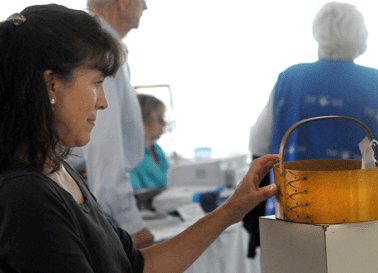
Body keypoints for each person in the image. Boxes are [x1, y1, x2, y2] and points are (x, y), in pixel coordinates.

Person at [0, 5, 280, 272]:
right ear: (52, 85)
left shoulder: (61, 172)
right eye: (97, 83)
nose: (103, 102)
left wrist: (232, 210)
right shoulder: (25, 196)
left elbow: (137, 266)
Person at [246, 1, 378, 258]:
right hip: (359, 214)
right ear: (361, 35)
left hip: (293, 210)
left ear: (317, 34)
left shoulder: (289, 78)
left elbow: (258, 143)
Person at [78, 0, 153, 248]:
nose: (146, 7)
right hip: (87, 192)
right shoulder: (99, 47)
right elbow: (103, 145)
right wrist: (130, 223)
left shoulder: (97, 43)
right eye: (143, 0)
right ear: (123, 3)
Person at [130, 94, 170, 189]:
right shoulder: (131, 156)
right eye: (160, 119)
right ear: (142, 120)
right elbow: (137, 195)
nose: (164, 123)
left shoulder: (157, 150)